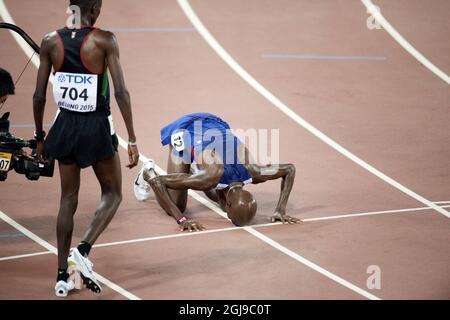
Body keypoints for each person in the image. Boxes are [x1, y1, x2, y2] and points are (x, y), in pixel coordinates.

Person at [33, 0, 139, 297]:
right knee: (113, 192)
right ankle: (83, 249)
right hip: (95, 127)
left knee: (68, 199)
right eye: (100, 6)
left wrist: (41, 136)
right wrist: (131, 138)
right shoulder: (104, 40)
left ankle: (61, 278)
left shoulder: (49, 41)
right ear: (92, 8)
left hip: (64, 127)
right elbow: (120, 91)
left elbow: (39, 96)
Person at [134, 112, 301, 232]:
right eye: (228, 212)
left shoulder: (254, 172)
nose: (225, 211)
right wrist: (181, 220)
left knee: (215, 193)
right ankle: (147, 171)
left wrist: (280, 209)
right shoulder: (210, 178)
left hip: (215, 122)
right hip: (185, 129)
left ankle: (193, 172)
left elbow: (289, 169)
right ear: (229, 204)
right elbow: (159, 183)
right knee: (178, 205)